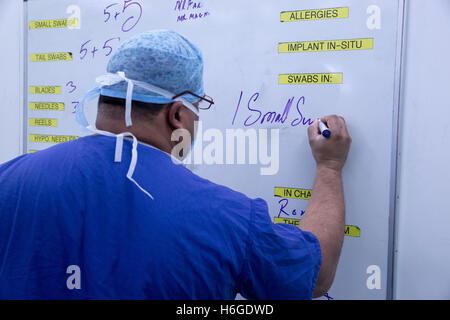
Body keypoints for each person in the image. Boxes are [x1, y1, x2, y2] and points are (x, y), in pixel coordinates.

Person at [0, 30, 351, 299]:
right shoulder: (228, 217)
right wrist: (330, 168)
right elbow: (315, 274)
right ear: (178, 114)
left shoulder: (10, 178)